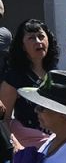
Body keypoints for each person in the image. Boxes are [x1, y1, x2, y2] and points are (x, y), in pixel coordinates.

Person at [1, 19, 59, 151]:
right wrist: (16, 145)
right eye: (32, 38)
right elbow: (4, 119)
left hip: (57, 144)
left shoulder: (55, 73)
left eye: (41, 36)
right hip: (27, 148)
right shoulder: (14, 77)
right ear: (22, 46)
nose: (38, 41)